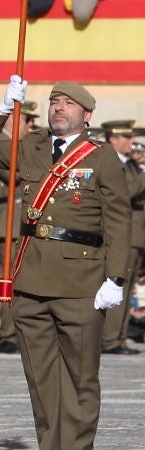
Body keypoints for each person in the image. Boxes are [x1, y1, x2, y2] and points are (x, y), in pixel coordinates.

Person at [0, 79, 130, 450]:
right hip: (30, 276)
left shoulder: (101, 158)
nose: (58, 108)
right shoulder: (30, 148)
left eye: (68, 104)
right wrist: (2, 109)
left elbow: (118, 221)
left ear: (87, 115)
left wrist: (115, 278)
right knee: (41, 376)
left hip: (81, 278)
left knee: (81, 377)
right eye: (54, 102)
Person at [96, 119, 145, 354]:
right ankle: (109, 339)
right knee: (117, 284)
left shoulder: (131, 165)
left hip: (137, 234)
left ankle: (120, 337)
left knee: (128, 288)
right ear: (113, 139)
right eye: (125, 138)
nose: (131, 142)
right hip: (124, 234)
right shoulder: (113, 162)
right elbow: (127, 192)